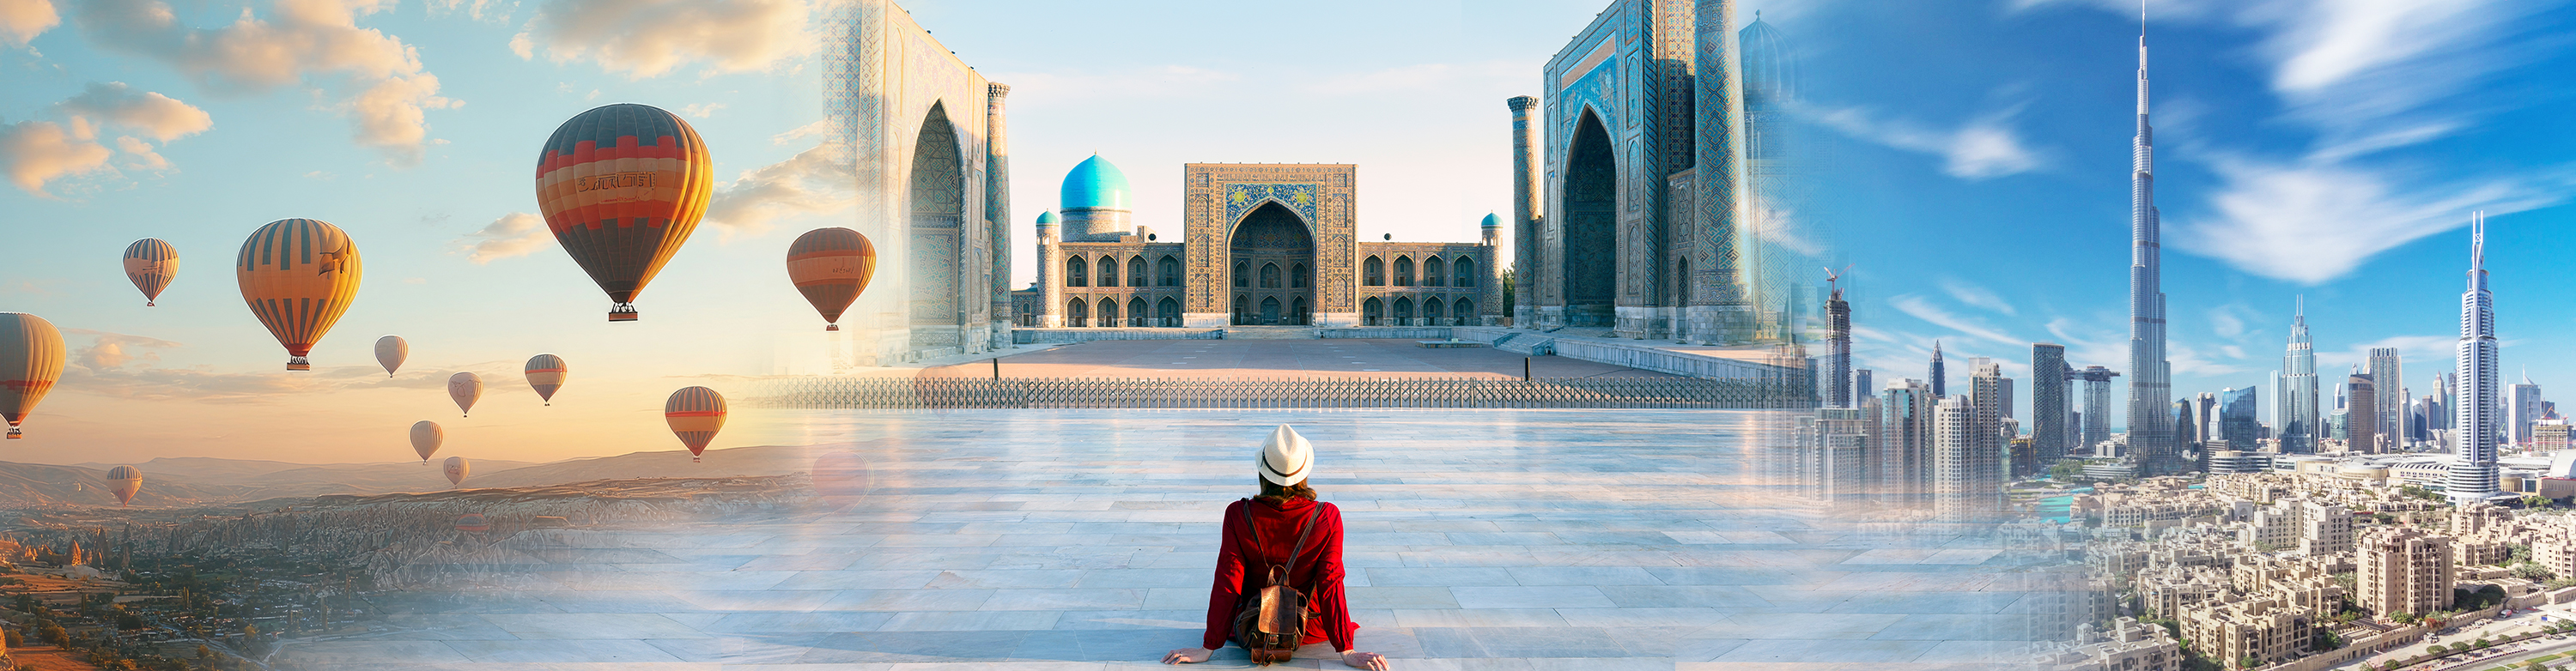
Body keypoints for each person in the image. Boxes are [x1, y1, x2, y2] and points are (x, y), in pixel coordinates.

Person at [1163, 426, 1388, 670]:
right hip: (1306, 627)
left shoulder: (1238, 514)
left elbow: (1228, 581)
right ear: (1304, 471)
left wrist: (1209, 647)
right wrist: (1345, 648)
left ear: (1263, 471)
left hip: (1253, 623)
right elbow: (1330, 581)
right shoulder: (1327, 516)